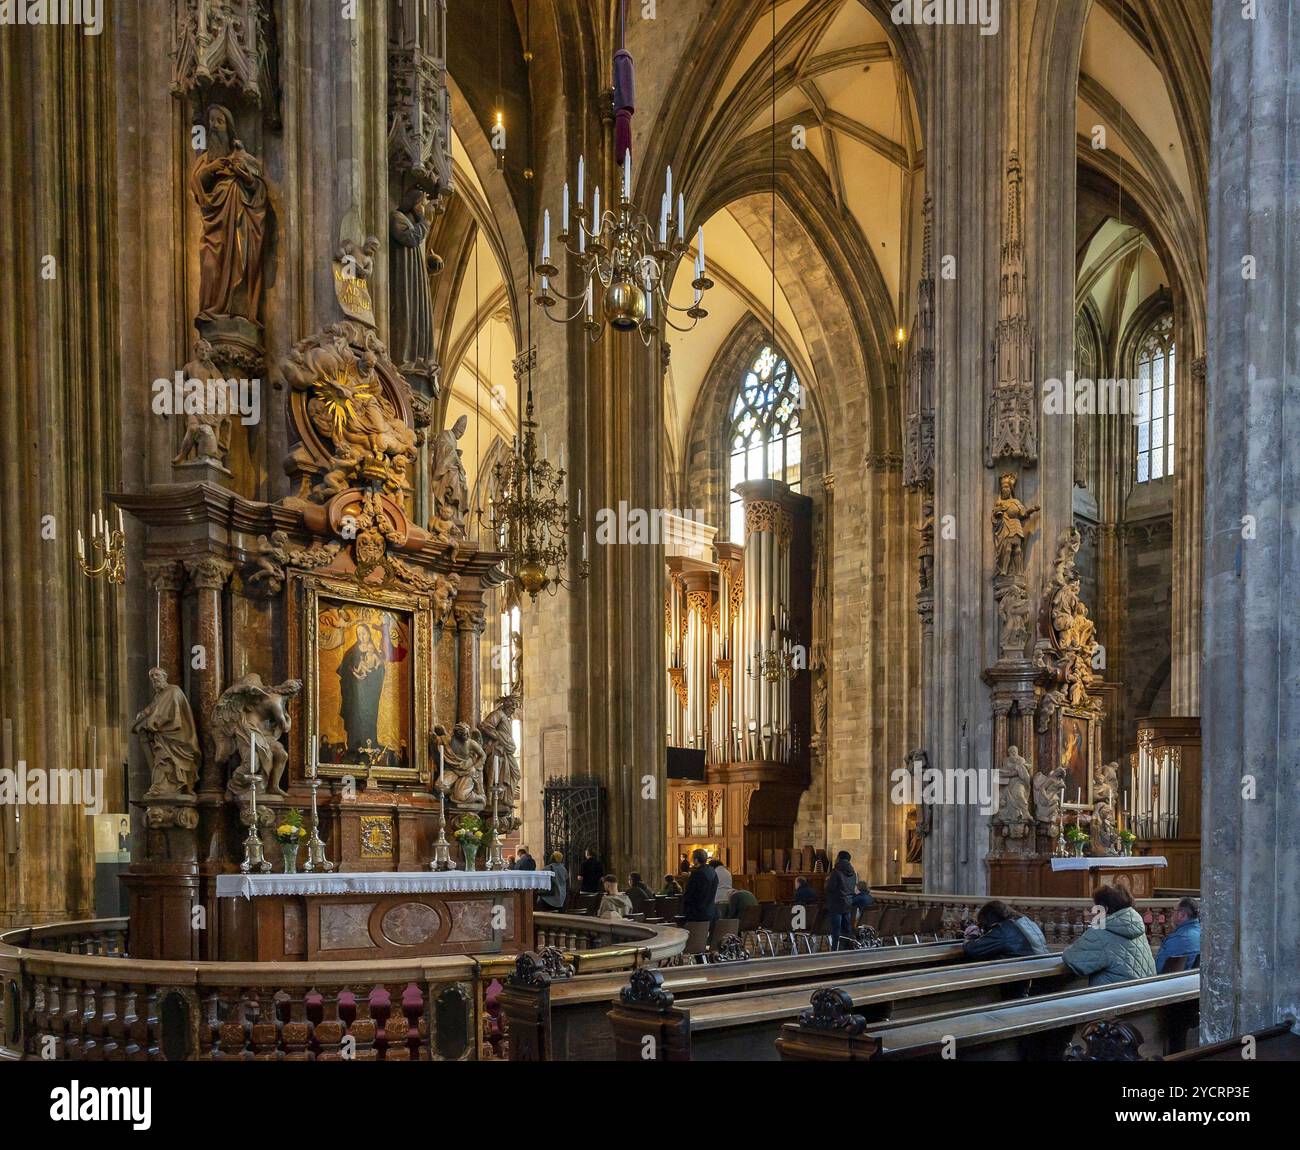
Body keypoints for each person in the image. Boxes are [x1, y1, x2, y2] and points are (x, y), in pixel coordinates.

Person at [1062, 885, 1157, 986]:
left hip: (1115, 997)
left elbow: (1073, 960)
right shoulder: (1135, 924)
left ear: (1105, 909)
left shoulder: (1100, 933)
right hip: (1144, 992)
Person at [962, 900, 1048, 959]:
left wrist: (971, 936)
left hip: (1017, 976)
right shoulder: (1023, 921)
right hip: (1032, 965)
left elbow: (972, 949)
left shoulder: (1002, 930)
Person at [823, 850, 858, 949]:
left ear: (839, 858)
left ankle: (835, 949)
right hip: (848, 903)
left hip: (836, 904)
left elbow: (830, 888)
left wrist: (827, 882)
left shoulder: (836, 871)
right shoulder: (853, 873)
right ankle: (846, 948)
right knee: (846, 929)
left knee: (836, 929)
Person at [1155, 897, 1201, 973]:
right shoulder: (1205, 935)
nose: (1172, 915)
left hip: (1170, 982)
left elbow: (1158, 969)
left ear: (1182, 915)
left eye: (1174, 911)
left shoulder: (1176, 939)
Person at [683, 848, 719, 923]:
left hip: (697, 914)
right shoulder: (712, 871)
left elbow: (689, 894)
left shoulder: (697, 874)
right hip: (711, 911)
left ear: (696, 860)